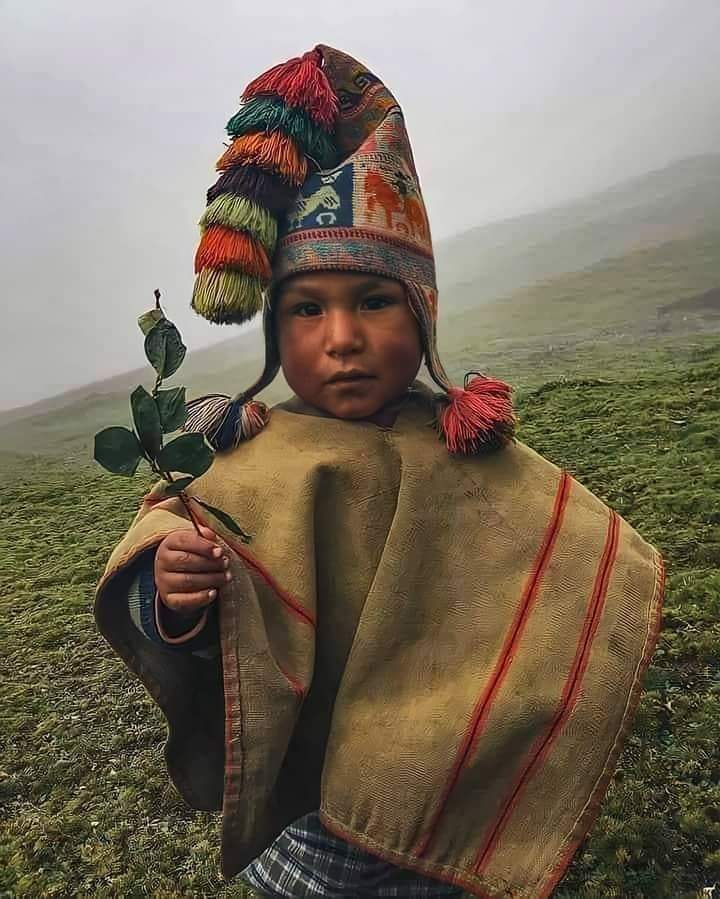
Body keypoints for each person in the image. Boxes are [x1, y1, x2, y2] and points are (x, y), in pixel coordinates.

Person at [95, 46, 665, 898]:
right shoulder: (245, 454)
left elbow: (561, 571)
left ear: (422, 312)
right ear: (273, 329)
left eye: (373, 301)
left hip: (444, 803)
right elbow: (182, 574)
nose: (342, 339)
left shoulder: (470, 452)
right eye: (307, 308)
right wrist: (171, 592)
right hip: (312, 826)